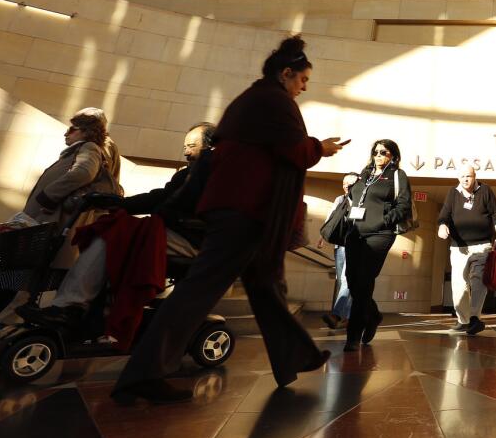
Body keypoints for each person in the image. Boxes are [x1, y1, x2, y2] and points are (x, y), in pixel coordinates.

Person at [112, 35, 345, 404]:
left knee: (267, 286)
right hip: (246, 210)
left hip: (241, 208)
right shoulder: (273, 101)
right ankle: (144, 372)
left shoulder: (251, 100)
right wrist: (322, 147)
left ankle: (294, 357)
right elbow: (294, 150)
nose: (304, 88)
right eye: (303, 80)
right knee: (199, 290)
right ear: (286, 74)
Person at [0, 108, 119, 359]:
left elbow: (84, 173)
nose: (67, 132)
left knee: (10, 281)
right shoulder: (75, 151)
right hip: (46, 232)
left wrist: (48, 197)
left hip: (49, 235)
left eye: (73, 128)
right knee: (16, 284)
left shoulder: (89, 149)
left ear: (86, 130)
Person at [18, 122, 216, 331]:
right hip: (172, 232)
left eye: (192, 145)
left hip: (193, 239)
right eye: (185, 146)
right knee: (107, 229)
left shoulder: (214, 175)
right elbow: (157, 198)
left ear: (210, 148)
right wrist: (115, 202)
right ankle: (90, 309)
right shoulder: (186, 174)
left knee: (116, 234)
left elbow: (169, 202)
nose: (186, 151)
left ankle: (71, 308)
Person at [341, 139, 412, 348]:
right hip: (355, 232)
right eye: (376, 151)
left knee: (364, 279)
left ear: (393, 156)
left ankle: (353, 336)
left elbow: (404, 204)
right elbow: (355, 199)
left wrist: (385, 220)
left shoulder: (397, 176)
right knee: (352, 279)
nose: (379, 155)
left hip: (380, 233)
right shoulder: (363, 174)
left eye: (384, 152)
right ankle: (373, 315)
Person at [437, 167, 496, 335]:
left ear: (475, 177)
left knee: (478, 279)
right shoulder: (453, 193)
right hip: (459, 247)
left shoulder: (485, 191)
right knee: (459, 285)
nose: (465, 179)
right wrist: (442, 226)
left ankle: (474, 318)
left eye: (468, 176)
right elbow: (444, 215)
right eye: (462, 176)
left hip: (482, 245)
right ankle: (463, 320)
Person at [316, 172, 359, 329]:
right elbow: (331, 220)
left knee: (347, 279)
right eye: (344, 183)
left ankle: (338, 315)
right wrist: (323, 236)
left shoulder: (362, 200)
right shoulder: (339, 200)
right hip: (340, 245)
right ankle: (347, 316)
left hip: (356, 246)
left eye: (350, 183)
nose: (346, 185)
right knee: (342, 281)